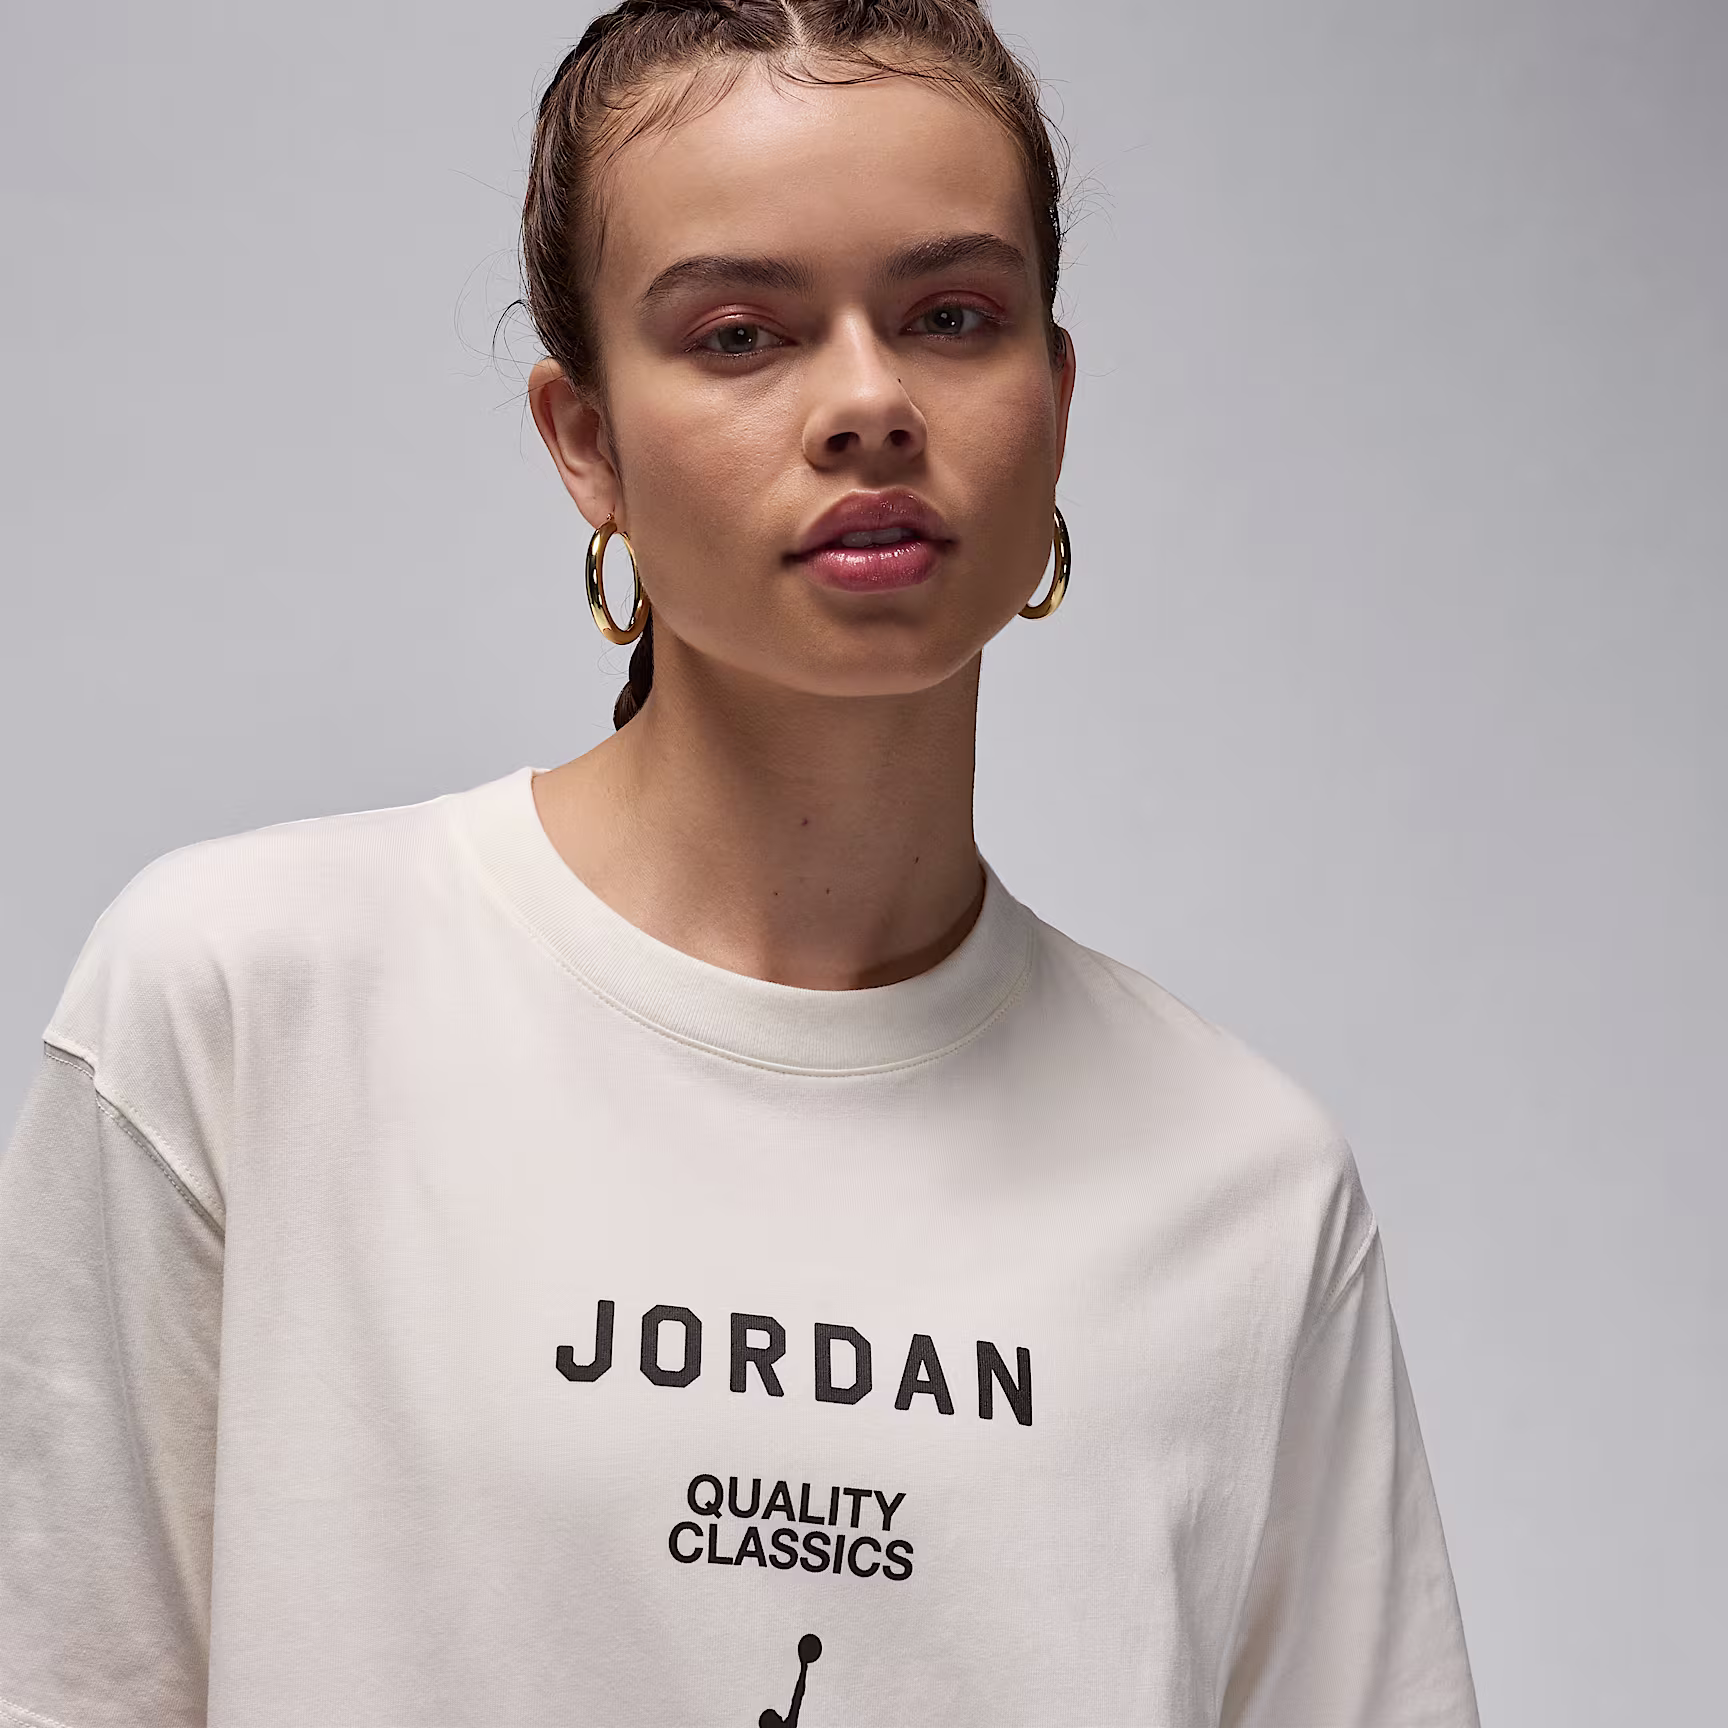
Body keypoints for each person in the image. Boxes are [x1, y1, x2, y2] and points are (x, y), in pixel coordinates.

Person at [0, 2, 1481, 1724]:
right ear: (587, 443)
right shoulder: (244, 1007)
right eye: (739, 336)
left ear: (1057, 398)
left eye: (951, 317)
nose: (868, 403)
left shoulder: (1249, 1192)